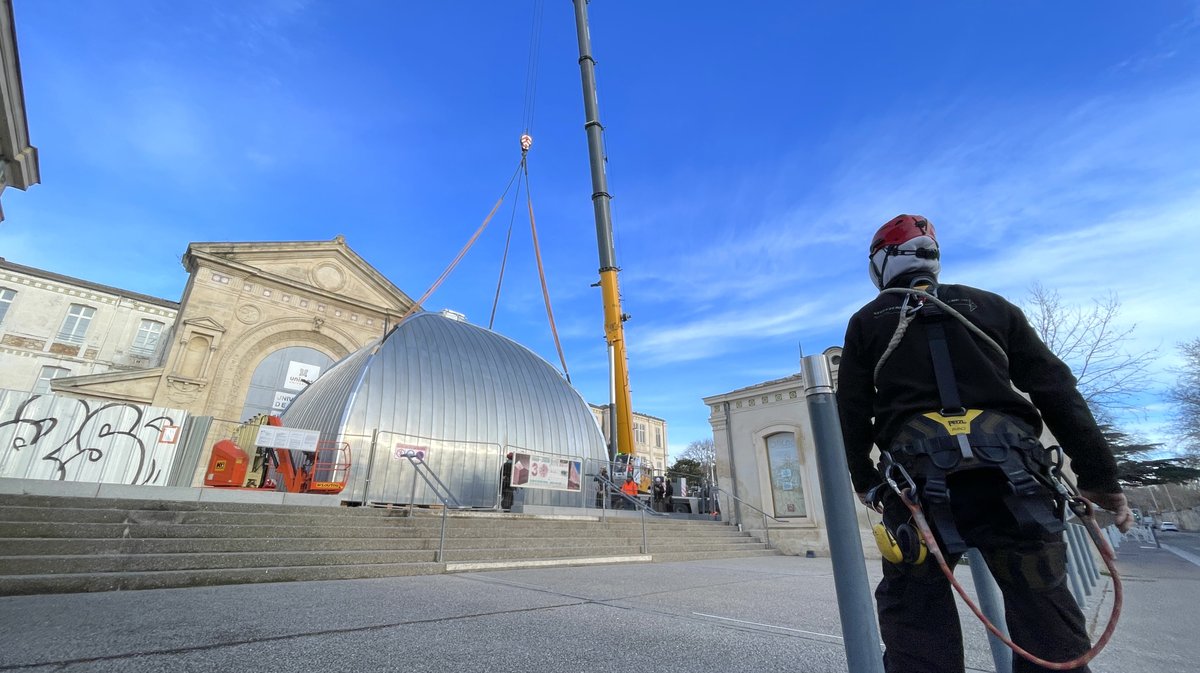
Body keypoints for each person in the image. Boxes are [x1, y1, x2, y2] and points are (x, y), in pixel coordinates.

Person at [835, 214, 1134, 673]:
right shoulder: (993, 307)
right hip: (1015, 483)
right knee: (1046, 618)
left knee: (915, 616)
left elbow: (851, 411)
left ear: (883, 262)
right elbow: (1056, 389)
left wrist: (865, 479)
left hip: (918, 486)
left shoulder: (868, 321)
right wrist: (1100, 476)